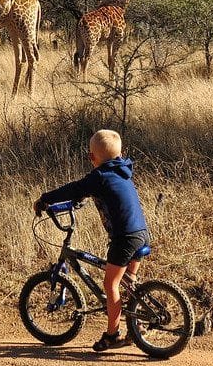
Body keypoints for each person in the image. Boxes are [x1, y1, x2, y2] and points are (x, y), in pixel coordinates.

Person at [33, 129, 150, 352]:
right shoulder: (122, 171)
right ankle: (138, 326)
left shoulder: (99, 177)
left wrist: (45, 199)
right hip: (140, 233)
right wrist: (80, 198)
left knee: (110, 284)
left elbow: (74, 188)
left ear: (91, 157)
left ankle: (112, 335)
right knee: (128, 283)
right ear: (120, 153)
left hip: (124, 238)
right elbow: (89, 192)